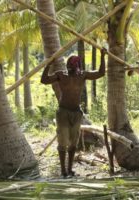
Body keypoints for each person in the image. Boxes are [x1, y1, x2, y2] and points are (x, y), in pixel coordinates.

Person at [41, 49, 106, 178]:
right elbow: (44, 80)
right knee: (63, 142)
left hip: (76, 113)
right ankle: (63, 171)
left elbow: (100, 73)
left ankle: (70, 170)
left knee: (73, 144)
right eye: (71, 65)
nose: (72, 67)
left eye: (75, 65)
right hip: (63, 112)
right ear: (67, 66)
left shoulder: (82, 75)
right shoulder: (61, 75)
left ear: (78, 66)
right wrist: (48, 64)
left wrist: (103, 56)